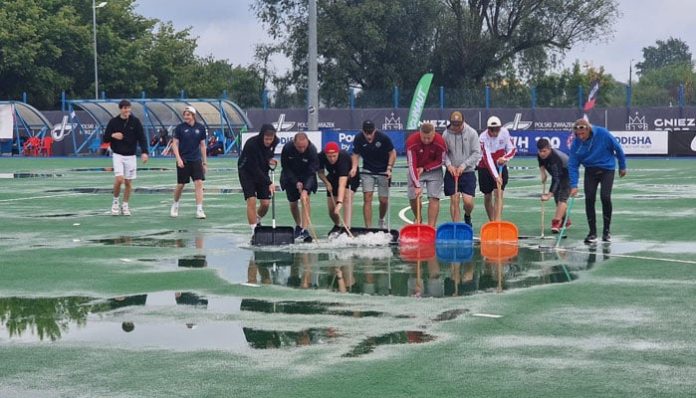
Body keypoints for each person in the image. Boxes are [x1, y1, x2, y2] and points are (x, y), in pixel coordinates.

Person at [568, 118, 627, 243]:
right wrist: (574, 185)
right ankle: (592, 232)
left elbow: (618, 148)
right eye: (578, 135)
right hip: (590, 170)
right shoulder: (576, 144)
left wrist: (622, 166)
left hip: (607, 169)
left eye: (582, 134)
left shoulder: (602, 133)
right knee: (589, 199)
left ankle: (606, 231)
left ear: (588, 129)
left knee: (605, 197)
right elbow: (573, 164)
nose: (581, 137)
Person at [103, 99, 149, 216]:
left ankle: (125, 205)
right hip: (118, 154)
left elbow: (142, 138)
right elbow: (105, 138)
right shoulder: (113, 122)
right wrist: (113, 135)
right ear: (120, 109)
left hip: (131, 156)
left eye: (128, 108)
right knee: (119, 179)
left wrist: (144, 152)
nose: (127, 110)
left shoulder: (135, 122)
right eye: (124, 108)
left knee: (128, 182)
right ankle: (115, 202)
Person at [350, 120, 396, 229]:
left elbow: (392, 153)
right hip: (367, 170)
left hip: (383, 171)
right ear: (363, 131)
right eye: (366, 133)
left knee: (383, 200)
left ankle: (381, 219)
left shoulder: (383, 138)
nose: (369, 135)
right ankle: (368, 228)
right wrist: (354, 167)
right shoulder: (358, 138)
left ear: (374, 130)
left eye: (371, 132)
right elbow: (355, 154)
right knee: (367, 198)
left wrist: (389, 168)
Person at [442, 111, 482, 226]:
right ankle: (457, 226)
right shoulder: (446, 134)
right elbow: (444, 153)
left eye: (458, 125)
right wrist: (449, 165)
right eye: (454, 125)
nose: (456, 127)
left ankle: (467, 215)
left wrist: (463, 166)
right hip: (451, 172)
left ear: (463, 122)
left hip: (467, 172)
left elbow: (476, 153)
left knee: (468, 202)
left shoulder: (472, 133)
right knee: (454, 200)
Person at [237, 123, 279, 232]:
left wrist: (269, 159)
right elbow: (253, 167)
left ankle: (257, 219)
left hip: (262, 169)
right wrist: (269, 182)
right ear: (262, 136)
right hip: (246, 171)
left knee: (265, 204)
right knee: (252, 200)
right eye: (266, 139)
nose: (268, 141)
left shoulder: (275, 141)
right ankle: (254, 231)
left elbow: (268, 153)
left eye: (271, 139)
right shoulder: (251, 144)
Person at [280, 132, 320, 241]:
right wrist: (295, 182)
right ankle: (298, 225)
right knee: (293, 203)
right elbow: (285, 167)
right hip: (290, 176)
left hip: (307, 175)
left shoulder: (312, 150)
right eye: (299, 147)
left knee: (305, 199)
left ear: (307, 143)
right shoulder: (287, 148)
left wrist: (306, 189)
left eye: (304, 147)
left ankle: (304, 229)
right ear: (294, 143)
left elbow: (312, 172)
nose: (302, 149)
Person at [405, 122, 446, 227]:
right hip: (416, 170)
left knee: (434, 197)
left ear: (434, 134)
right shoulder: (411, 141)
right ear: (420, 133)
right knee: (413, 196)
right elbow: (411, 164)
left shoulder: (440, 142)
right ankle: (418, 218)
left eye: (429, 138)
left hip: (434, 170)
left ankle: (431, 227)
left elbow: (441, 161)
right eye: (424, 138)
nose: (426, 140)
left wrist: (426, 168)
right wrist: (417, 185)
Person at [170, 106, 208, 219]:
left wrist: (205, 162)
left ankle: (199, 209)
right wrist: (178, 159)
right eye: (185, 114)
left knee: (199, 183)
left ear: (193, 116)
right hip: (184, 160)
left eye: (188, 114)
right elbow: (174, 144)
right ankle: (175, 205)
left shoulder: (200, 128)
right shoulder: (179, 128)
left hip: (196, 160)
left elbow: (202, 145)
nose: (186, 117)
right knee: (181, 185)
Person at [477, 116, 516, 221]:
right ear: (488, 129)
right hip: (485, 167)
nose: (495, 132)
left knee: (498, 193)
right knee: (487, 196)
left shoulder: (505, 133)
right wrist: (495, 176)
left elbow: (512, 149)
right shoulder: (482, 138)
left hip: (500, 166)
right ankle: (492, 221)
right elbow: (487, 159)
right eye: (492, 130)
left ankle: (497, 222)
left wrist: (504, 158)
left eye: (497, 129)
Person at [317, 141, 359, 233]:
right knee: (332, 209)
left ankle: (347, 228)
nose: (332, 159)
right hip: (332, 177)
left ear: (338, 153)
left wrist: (339, 202)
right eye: (329, 156)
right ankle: (337, 225)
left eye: (334, 156)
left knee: (346, 197)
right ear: (325, 154)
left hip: (349, 177)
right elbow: (320, 173)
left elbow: (342, 184)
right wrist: (327, 182)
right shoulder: (320, 156)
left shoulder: (343, 158)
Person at [537, 138, 572, 233]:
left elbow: (556, 179)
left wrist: (549, 194)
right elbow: (541, 162)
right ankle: (566, 221)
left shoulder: (555, 158)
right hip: (558, 174)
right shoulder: (540, 155)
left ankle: (556, 222)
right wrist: (543, 172)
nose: (542, 154)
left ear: (549, 149)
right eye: (540, 151)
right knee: (557, 200)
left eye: (544, 151)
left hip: (569, 173)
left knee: (562, 198)